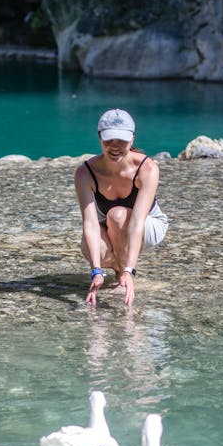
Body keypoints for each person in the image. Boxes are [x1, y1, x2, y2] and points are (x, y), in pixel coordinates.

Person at [75, 108, 168, 307]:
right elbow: (90, 225)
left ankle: (121, 276)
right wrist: (96, 270)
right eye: (109, 140)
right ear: (99, 137)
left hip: (149, 225)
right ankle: (115, 268)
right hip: (109, 223)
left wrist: (129, 270)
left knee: (117, 215)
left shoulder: (147, 168)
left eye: (122, 141)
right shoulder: (85, 173)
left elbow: (136, 223)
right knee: (91, 247)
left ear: (132, 139)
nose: (115, 147)